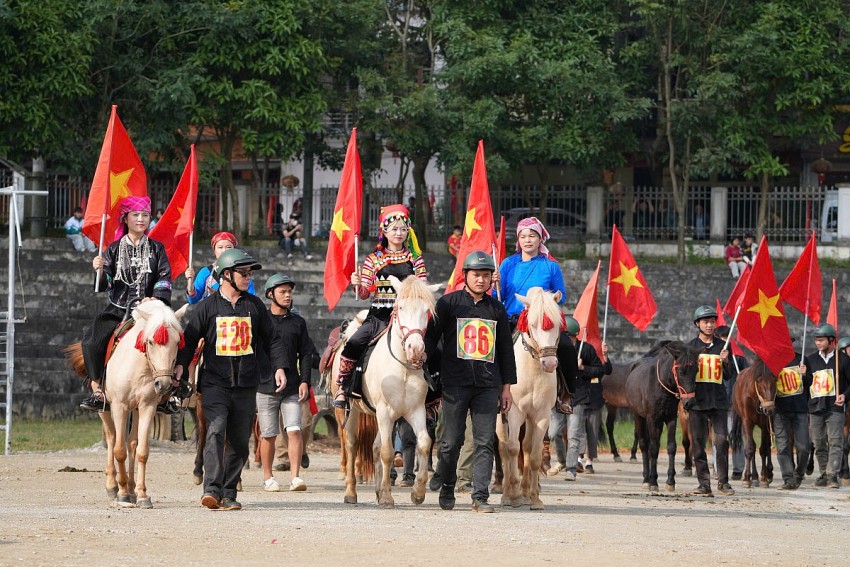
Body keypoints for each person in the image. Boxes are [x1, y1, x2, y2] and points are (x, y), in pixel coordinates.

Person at [174, 248, 288, 511]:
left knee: (239, 441)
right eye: (243, 273)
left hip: (247, 384)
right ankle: (211, 489)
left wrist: (280, 367)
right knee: (215, 430)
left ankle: (228, 491)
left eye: (250, 273)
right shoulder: (206, 307)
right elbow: (189, 340)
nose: (248, 277)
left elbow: (272, 340)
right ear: (226, 275)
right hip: (215, 383)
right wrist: (181, 366)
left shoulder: (255, 306)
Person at [424, 251, 516, 513]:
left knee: (485, 441)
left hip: (488, 385)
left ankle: (480, 496)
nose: (481, 280)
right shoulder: (448, 304)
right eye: (476, 275)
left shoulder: (497, 308)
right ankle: (448, 485)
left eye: (486, 276)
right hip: (455, 383)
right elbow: (431, 339)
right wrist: (422, 360)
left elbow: (506, 351)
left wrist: (506, 387)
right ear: (465, 276)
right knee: (451, 441)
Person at [79, 196, 172, 412]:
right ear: (126, 218)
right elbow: (106, 284)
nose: (141, 219)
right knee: (90, 342)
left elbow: (165, 277)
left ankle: (171, 391)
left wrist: (156, 298)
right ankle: (98, 388)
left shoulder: (157, 249)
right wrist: (100, 270)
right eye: (136, 215)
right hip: (119, 308)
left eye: (145, 215)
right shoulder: (113, 249)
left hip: (151, 310)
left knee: (176, 338)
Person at [333, 204, 428, 408]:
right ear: (384, 231)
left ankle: (433, 395)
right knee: (354, 343)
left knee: (435, 346)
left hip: (409, 316)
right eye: (394, 229)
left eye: (403, 229)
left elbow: (423, 287)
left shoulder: (415, 259)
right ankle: (343, 386)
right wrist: (358, 284)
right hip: (380, 315)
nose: (399, 233)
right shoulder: (373, 259)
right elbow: (366, 292)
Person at [256, 274, 318, 493]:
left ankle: (295, 477)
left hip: (293, 387)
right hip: (265, 387)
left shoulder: (298, 322)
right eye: (282, 291)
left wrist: (305, 381)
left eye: (290, 292)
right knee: (269, 434)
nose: (288, 295)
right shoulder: (260, 321)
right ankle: (267, 477)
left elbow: (307, 354)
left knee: (294, 430)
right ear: (270, 294)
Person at [686, 305, 735, 496]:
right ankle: (704, 484)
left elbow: (729, 375)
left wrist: (726, 361)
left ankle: (723, 482)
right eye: (706, 321)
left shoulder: (723, 346)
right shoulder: (690, 347)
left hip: (719, 401)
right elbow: (685, 375)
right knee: (698, 444)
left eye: (712, 321)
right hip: (697, 402)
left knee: (722, 441)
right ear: (697, 324)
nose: (710, 325)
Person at [561, 316, 610, 481]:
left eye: (568, 336)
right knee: (556, 433)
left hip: (584, 397)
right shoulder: (558, 349)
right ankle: (565, 461)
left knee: (582, 433)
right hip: (561, 397)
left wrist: (582, 368)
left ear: (575, 336)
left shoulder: (587, 349)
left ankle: (578, 464)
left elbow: (601, 370)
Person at [496, 216, 567, 323]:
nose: (527, 240)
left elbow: (562, 297)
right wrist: (495, 284)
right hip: (511, 321)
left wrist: (552, 298)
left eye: (532, 236)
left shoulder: (551, 266)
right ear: (518, 240)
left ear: (540, 239)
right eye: (523, 237)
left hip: (541, 323)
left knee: (565, 340)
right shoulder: (508, 263)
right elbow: (497, 297)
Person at [806, 323, 850, 488]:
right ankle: (824, 473)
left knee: (835, 441)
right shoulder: (810, 360)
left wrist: (844, 395)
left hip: (835, 408)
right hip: (816, 408)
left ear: (831, 340)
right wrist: (803, 375)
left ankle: (833, 476)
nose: (818, 343)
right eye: (817, 340)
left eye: (821, 340)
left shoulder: (843, 360)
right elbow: (807, 385)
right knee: (818, 443)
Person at [713, 325, 748, 480]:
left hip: (734, 405)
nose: (723, 341)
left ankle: (738, 468)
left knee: (736, 436)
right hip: (717, 402)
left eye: (726, 338)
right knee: (718, 438)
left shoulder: (738, 357)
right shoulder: (712, 356)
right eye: (720, 338)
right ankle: (717, 468)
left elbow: (747, 375)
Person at [774, 351, 812, 490]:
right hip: (780, 411)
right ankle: (788, 478)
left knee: (803, 447)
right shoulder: (772, 360)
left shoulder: (801, 358)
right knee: (782, 447)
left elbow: (810, 382)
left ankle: (799, 474)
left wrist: (805, 374)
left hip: (800, 409)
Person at [185, 232, 256, 303]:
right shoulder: (206, 272)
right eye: (220, 247)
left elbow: (251, 298)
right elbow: (192, 300)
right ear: (214, 250)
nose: (224, 251)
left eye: (228, 247)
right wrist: (190, 284)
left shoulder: (242, 273)